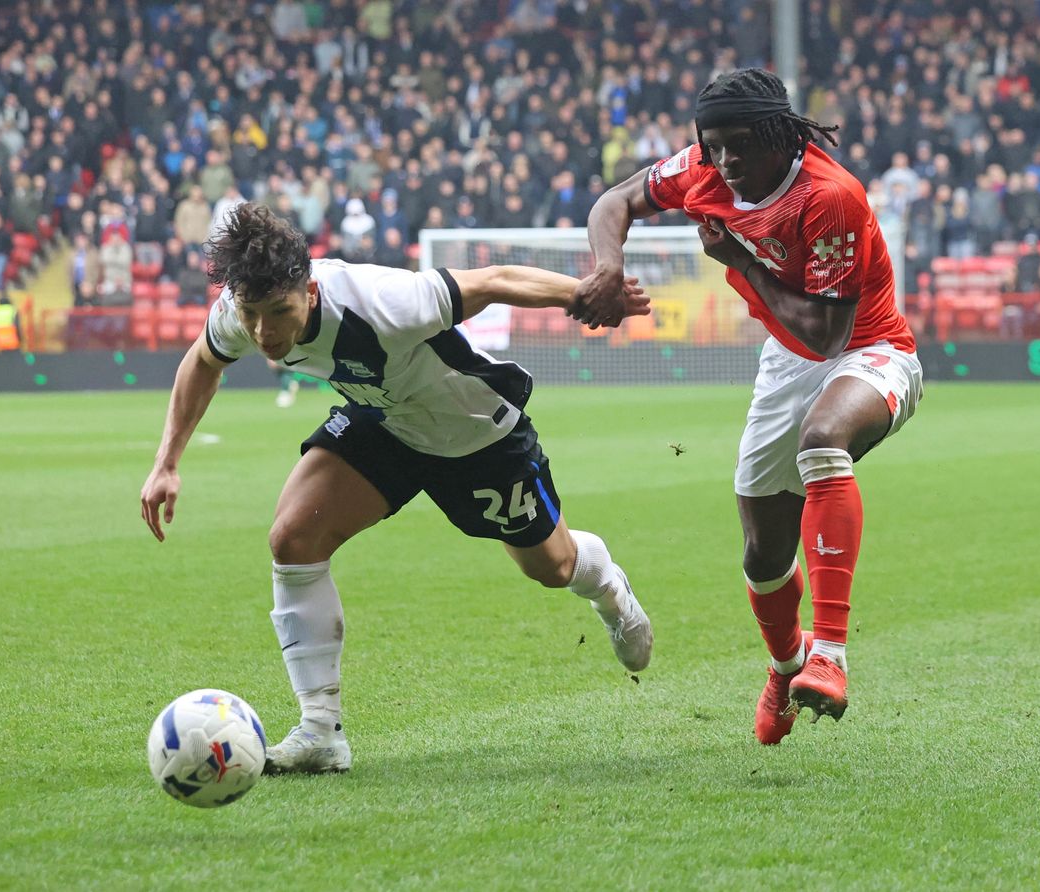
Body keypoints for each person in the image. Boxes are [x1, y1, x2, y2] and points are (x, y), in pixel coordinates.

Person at [140, 204, 653, 774]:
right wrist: (166, 462)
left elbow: (494, 281)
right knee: (293, 538)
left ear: (309, 293)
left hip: (474, 432)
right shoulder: (243, 309)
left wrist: (585, 293)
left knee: (551, 567)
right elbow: (203, 361)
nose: (263, 332)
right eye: (251, 313)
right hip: (385, 423)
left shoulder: (378, 300)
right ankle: (320, 732)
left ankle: (607, 582)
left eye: (277, 312)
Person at [571, 69, 923, 744]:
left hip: (868, 348)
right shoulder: (703, 166)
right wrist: (607, 267)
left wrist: (739, 260)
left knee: (823, 438)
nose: (724, 161)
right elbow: (614, 202)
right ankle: (786, 666)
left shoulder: (831, 196)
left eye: (737, 146)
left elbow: (826, 334)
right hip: (785, 360)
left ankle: (830, 655)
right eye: (713, 145)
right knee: (763, 553)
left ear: (781, 137)